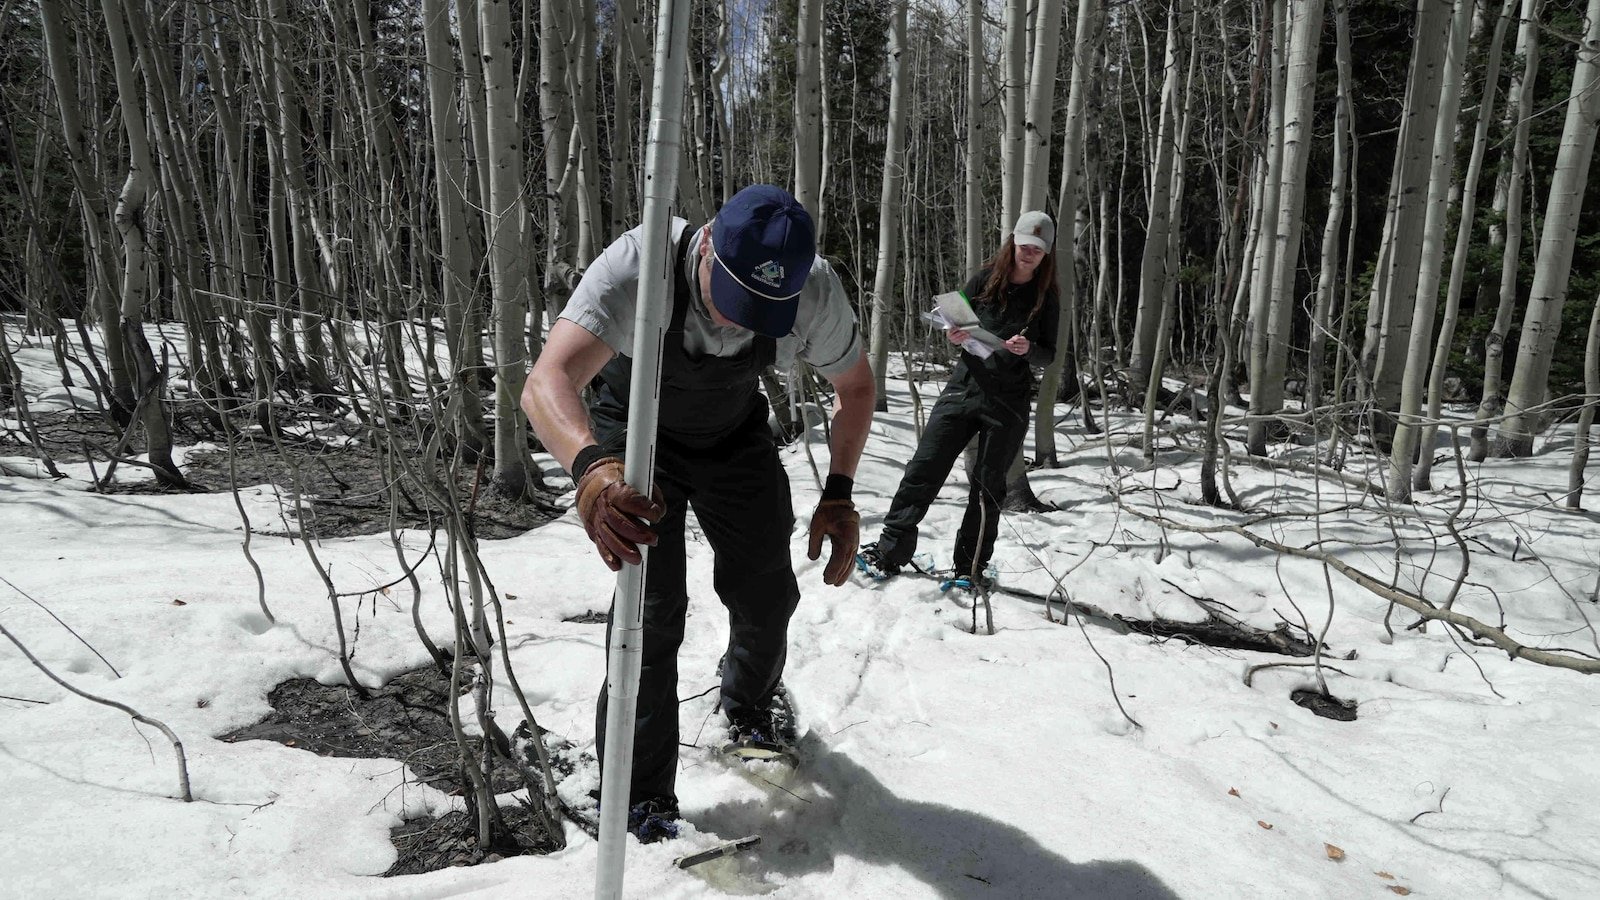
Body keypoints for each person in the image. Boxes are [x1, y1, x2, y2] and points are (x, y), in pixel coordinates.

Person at [521, 184, 875, 842]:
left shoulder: (816, 291)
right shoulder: (640, 263)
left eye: (764, 312)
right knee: (651, 616)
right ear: (707, 244)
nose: (741, 324)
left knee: (768, 590)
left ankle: (749, 700)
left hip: (733, 433)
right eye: (736, 299)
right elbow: (547, 381)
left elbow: (855, 386)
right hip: (635, 437)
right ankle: (639, 797)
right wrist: (591, 471)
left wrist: (840, 492)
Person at [858, 211, 1060, 588]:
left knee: (988, 488)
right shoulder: (985, 278)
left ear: (1046, 254)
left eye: (1038, 249)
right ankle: (890, 552)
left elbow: (1049, 354)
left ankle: (970, 568)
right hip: (963, 387)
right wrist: (953, 333)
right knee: (923, 469)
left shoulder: (1045, 297)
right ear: (1012, 241)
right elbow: (956, 318)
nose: (1029, 253)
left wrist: (1028, 348)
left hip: (1008, 403)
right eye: (1024, 245)